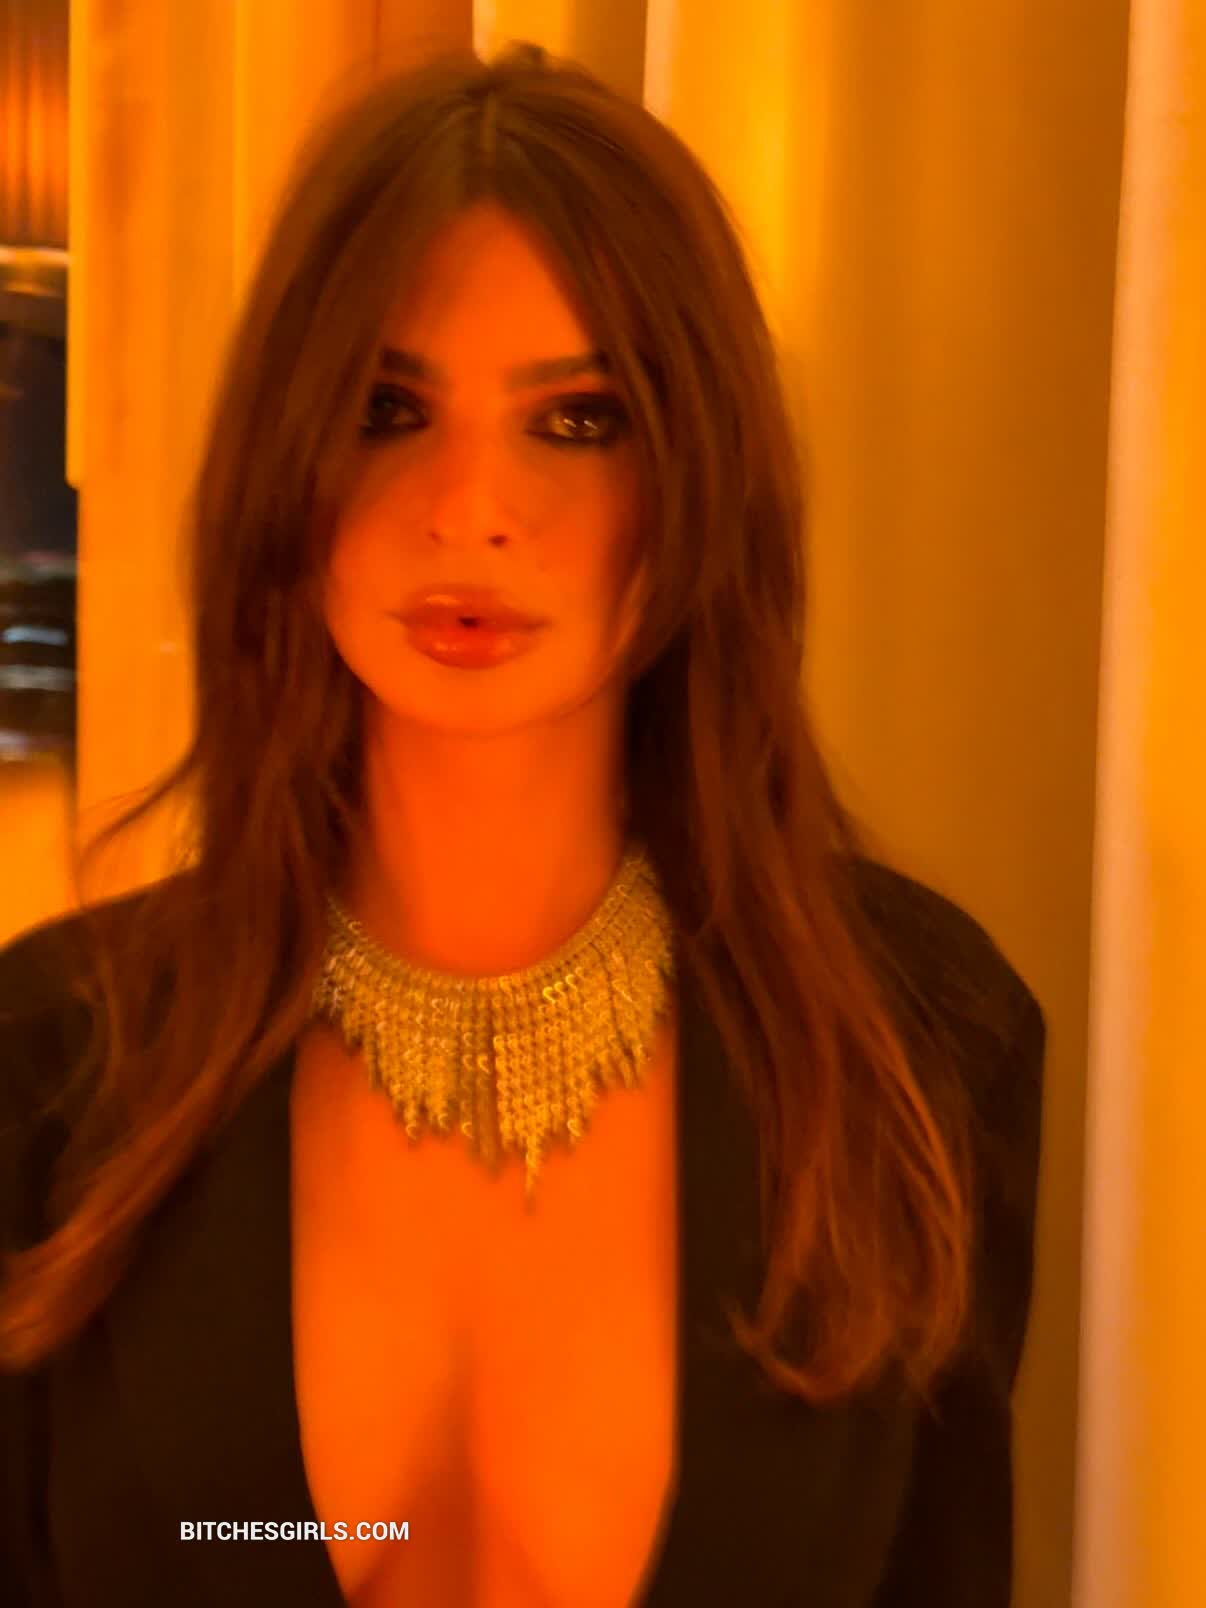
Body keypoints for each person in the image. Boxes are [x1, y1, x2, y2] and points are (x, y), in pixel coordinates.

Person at [0, 41, 1046, 1608]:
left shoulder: (918, 1041)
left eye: (576, 420)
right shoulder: (54, 1065)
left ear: (697, 469)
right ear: (285, 460)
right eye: (387, 408)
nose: (471, 510)